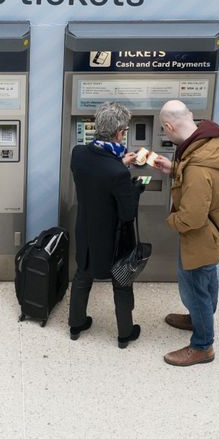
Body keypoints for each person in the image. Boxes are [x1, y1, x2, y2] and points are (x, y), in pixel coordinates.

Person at [148, 100, 219, 366]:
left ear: (169, 126)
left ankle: (202, 346)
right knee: (207, 281)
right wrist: (172, 169)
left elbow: (192, 217)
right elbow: (203, 182)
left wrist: (172, 221)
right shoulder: (210, 145)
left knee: (195, 287)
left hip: (200, 237)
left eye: (165, 130)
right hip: (214, 233)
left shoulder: (196, 167)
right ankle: (198, 318)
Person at [68, 102, 144, 348]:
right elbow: (127, 213)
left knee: (83, 276)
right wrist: (136, 186)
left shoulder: (78, 154)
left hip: (87, 231)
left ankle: (76, 324)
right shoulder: (118, 173)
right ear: (119, 132)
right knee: (121, 283)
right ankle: (125, 333)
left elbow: (97, 175)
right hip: (114, 238)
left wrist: (121, 162)